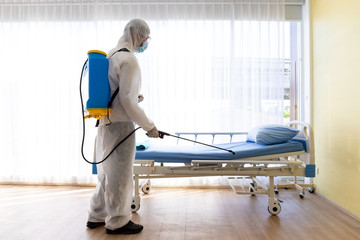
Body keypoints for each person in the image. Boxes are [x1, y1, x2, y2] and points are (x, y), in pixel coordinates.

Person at [86, 19, 159, 235]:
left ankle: (96, 215)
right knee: (120, 176)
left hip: (104, 123)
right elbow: (127, 102)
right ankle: (118, 221)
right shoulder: (130, 60)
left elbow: (115, 92)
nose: (146, 42)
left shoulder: (111, 55)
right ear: (138, 36)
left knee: (105, 175)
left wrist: (133, 97)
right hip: (120, 127)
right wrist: (150, 126)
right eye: (146, 38)